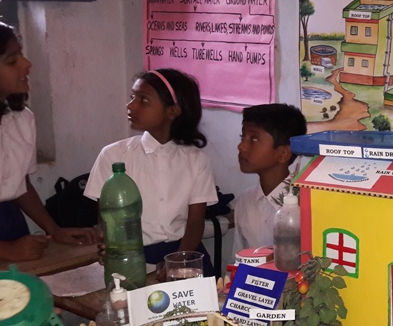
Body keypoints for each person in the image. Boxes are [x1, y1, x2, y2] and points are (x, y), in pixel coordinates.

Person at [0, 14, 96, 326]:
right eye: (12, 59)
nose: (27, 64)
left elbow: (18, 185)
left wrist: (54, 230)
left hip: (8, 224)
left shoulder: (20, 119)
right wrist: (6, 249)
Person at [84, 68, 218, 277]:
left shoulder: (196, 160)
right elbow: (106, 217)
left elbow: (195, 223)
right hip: (133, 257)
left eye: (143, 100)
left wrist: (178, 260)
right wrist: (108, 245)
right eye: (132, 97)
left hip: (185, 252)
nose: (130, 105)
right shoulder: (113, 155)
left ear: (172, 112)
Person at [233, 103, 307, 253]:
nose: (241, 146)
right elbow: (239, 258)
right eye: (243, 136)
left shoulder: (305, 203)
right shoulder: (245, 200)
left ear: (283, 153)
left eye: (254, 139)